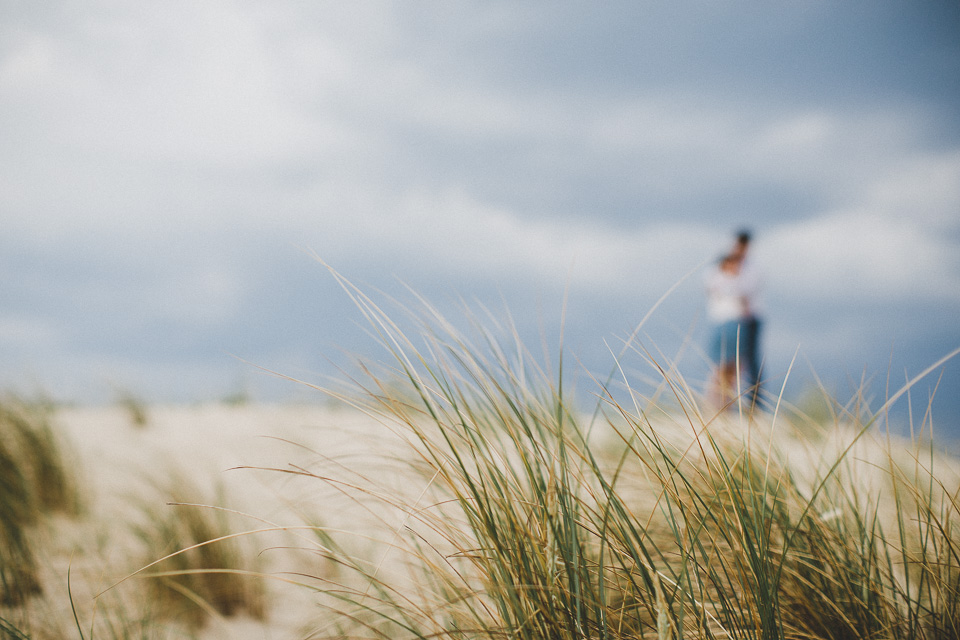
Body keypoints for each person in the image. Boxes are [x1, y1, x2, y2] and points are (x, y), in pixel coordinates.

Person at [704, 253, 748, 408]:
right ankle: (715, 404)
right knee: (722, 367)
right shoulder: (718, 278)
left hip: (735, 324)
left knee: (733, 368)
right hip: (724, 324)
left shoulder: (737, 280)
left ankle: (724, 404)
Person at [729, 230, 763, 405]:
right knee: (730, 362)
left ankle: (754, 405)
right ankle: (731, 404)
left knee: (750, 362)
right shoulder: (729, 264)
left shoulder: (751, 268)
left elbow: (746, 291)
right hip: (734, 319)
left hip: (749, 319)